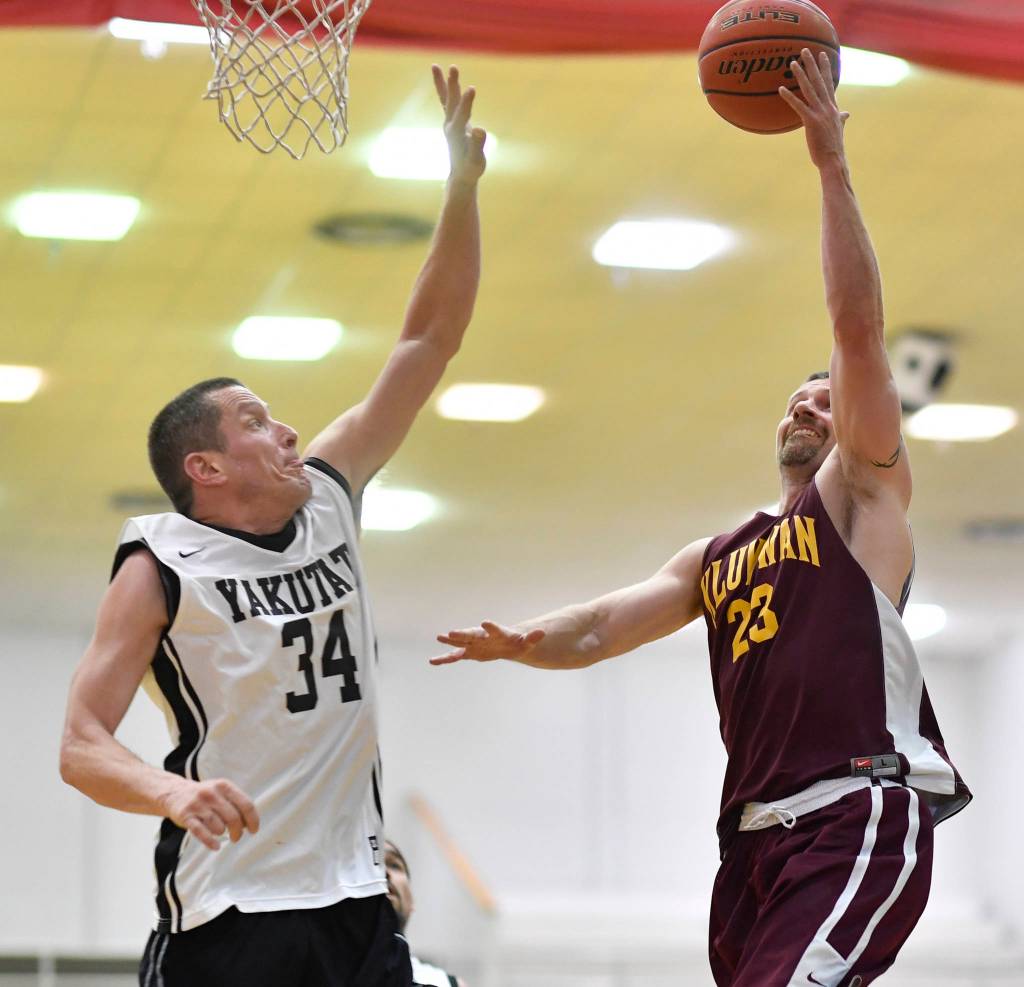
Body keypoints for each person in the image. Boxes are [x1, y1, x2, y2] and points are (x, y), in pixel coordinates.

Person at [430, 51, 970, 987]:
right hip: (753, 844)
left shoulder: (861, 497)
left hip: (854, 809)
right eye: (793, 402)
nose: (807, 409)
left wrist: (830, 165)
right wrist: (526, 641)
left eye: (825, 401)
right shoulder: (718, 556)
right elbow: (602, 626)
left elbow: (856, 328)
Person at [58, 64, 486, 987]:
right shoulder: (159, 561)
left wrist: (461, 187)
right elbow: (81, 744)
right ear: (203, 469)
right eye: (255, 420)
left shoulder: (331, 496)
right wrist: (173, 791)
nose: (287, 428)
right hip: (234, 906)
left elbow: (428, 341)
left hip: (356, 895)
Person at [384, 841, 468, 987]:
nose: (384, 872)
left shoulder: (448, 984)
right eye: (372, 865)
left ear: (412, 903)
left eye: (394, 865)